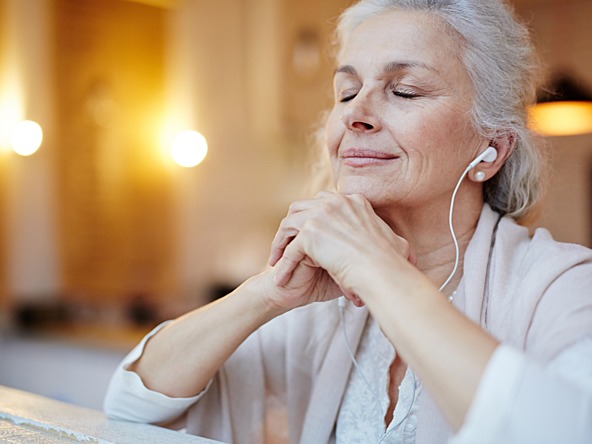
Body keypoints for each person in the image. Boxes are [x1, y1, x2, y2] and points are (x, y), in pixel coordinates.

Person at [104, 1, 592, 443]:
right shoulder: (320, 305)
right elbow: (130, 404)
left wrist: (379, 270)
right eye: (346, 91)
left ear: (490, 150)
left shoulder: (564, 285)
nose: (355, 114)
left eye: (403, 91)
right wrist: (267, 292)